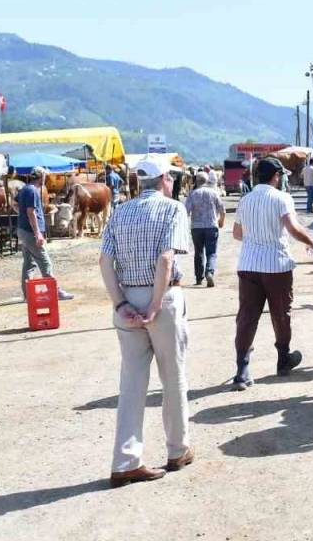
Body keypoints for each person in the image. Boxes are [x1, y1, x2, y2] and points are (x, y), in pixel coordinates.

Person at [99, 157, 194, 487]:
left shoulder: (120, 212)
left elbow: (105, 261)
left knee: (131, 383)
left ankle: (125, 461)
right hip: (162, 298)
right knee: (173, 375)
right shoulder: (172, 210)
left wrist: (120, 303)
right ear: (165, 179)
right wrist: (154, 305)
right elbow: (166, 258)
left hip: (127, 298)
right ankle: (177, 449)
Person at [232, 157, 313, 390]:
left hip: (249, 264)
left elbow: (237, 234)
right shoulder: (282, 198)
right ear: (276, 176)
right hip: (276, 265)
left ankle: (242, 369)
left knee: (247, 316)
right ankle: (283, 360)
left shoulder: (245, 200)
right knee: (281, 313)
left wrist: (256, 239)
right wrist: (309, 241)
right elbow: (292, 227)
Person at [16, 167, 73, 300]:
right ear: (41, 176)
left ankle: (28, 295)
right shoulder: (32, 191)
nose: (45, 178)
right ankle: (55, 292)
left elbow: (15, 204)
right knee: (45, 262)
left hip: (23, 230)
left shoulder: (25, 188)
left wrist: (22, 217)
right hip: (30, 232)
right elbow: (31, 212)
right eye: (45, 176)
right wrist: (38, 234)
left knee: (29, 264)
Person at [184, 172, 225, 287]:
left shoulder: (192, 194)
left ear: (196, 181)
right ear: (207, 181)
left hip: (196, 227)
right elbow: (222, 209)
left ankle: (198, 278)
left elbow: (186, 211)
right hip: (212, 226)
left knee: (198, 252)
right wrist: (221, 221)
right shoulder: (214, 193)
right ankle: (209, 272)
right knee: (211, 252)